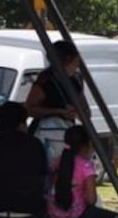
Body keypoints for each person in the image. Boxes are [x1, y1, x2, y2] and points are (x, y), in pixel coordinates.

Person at [25, 40, 89, 170]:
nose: (78, 64)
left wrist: (77, 112)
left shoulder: (75, 80)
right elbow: (30, 108)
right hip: (46, 137)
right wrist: (58, 111)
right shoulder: (46, 80)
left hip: (67, 136)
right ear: (66, 59)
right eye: (76, 59)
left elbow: (86, 110)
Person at [46, 124, 118, 218]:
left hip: (53, 214)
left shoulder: (57, 162)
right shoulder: (86, 166)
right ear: (86, 145)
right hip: (76, 216)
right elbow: (91, 200)